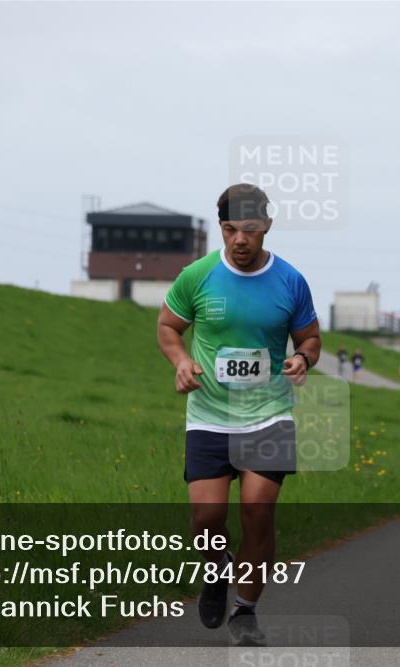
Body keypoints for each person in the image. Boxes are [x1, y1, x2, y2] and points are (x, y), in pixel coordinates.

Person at [156, 183, 321, 646]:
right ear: (221, 228)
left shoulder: (290, 281)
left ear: (267, 226)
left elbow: (311, 338)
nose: (240, 240)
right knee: (206, 520)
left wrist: (303, 358)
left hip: (268, 413)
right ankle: (216, 569)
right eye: (231, 230)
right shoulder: (198, 275)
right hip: (208, 414)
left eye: (250, 230)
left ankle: (245, 610)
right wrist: (181, 361)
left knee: (257, 513)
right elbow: (169, 326)